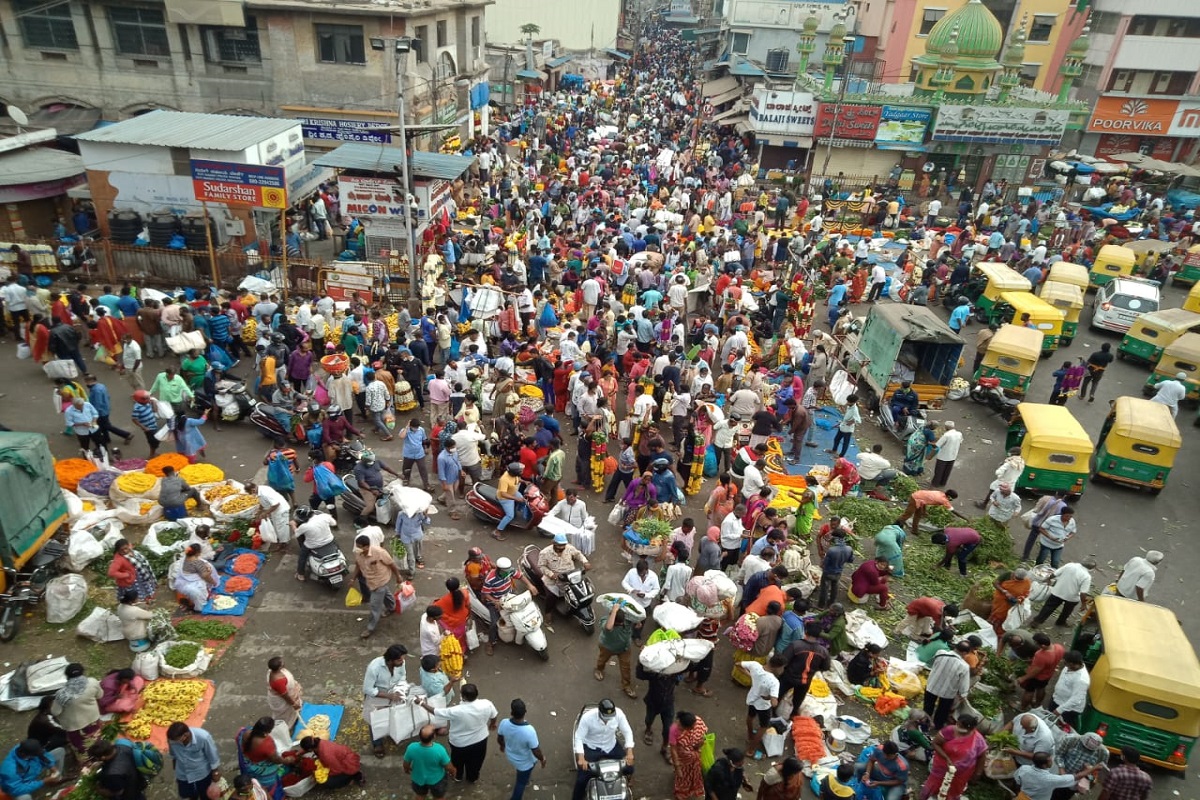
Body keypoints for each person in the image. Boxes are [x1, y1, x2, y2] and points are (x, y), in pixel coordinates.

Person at [423, 683, 498, 784]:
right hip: (480, 740)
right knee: (476, 761)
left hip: (459, 744)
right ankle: (472, 778)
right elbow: (494, 715)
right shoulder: (487, 704)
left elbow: (435, 712)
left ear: (463, 696)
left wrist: (421, 703)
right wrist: (492, 724)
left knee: (458, 762)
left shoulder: (456, 710)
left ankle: (458, 776)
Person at [572, 699, 634, 800]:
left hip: (611, 746)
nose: (608, 720)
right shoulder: (587, 718)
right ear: (599, 712)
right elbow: (579, 737)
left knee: (629, 768)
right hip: (591, 747)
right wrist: (581, 757)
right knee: (581, 780)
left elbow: (627, 732)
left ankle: (627, 782)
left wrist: (630, 751)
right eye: (605, 717)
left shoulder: (619, 714)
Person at [917, 714, 987, 800]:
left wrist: (977, 774)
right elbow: (935, 743)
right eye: (958, 724)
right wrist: (947, 758)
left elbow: (982, 756)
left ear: (970, 729)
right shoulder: (949, 731)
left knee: (953, 790)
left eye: (961, 726)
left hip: (962, 773)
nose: (957, 727)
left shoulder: (978, 739)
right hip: (942, 767)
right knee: (934, 785)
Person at [481, 556, 538, 655]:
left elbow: (520, 576)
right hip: (496, 601)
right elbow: (486, 593)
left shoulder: (510, 571)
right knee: (494, 623)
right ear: (498, 569)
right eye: (505, 571)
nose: (508, 573)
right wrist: (495, 601)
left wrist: (530, 585)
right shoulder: (490, 579)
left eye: (508, 571)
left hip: (509, 597)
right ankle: (491, 643)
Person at [349, 533, 402, 639]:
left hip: (380, 581)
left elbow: (391, 564)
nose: (357, 549)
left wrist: (398, 576)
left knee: (374, 606)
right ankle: (392, 607)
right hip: (370, 581)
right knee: (385, 593)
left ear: (366, 546)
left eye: (359, 547)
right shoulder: (359, 554)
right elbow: (358, 566)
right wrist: (353, 578)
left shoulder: (379, 552)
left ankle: (370, 628)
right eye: (357, 546)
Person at [362, 644, 408, 758]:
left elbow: (402, 677)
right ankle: (377, 744)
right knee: (375, 721)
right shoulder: (374, 667)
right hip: (377, 697)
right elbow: (367, 689)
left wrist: (399, 690)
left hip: (394, 694)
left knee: (392, 717)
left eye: (402, 658)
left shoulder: (401, 663)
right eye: (399, 659)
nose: (402, 661)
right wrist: (388, 696)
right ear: (390, 660)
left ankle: (391, 734)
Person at [778, 621, 831, 719]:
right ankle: (792, 716)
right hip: (805, 680)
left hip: (789, 677)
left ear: (806, 631)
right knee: (797, 700)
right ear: (819, 635)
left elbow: (784, 660)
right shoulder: (823, 651)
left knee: (779, 695)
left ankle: (772, 713)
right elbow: (826, 667)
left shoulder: (795, 645)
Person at [51, 663, 103, 759]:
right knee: (95, 740)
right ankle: (98, 754)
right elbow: (100, 695)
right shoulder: (92, 682)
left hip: (74, 727)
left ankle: (86, 761)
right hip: (92, 719)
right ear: (83, 672)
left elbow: (55, 712)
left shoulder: (62, 694)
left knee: (80, 746)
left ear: (67, 676)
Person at [496, 698, 545, 800]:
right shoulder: (529, 731)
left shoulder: (504, 723)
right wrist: (542, 759)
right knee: (520, 783)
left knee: (522, 774)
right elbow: (536, 751)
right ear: (525, 712)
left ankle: (525, 779)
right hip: (525, 762)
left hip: (511, 756)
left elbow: (500, 738)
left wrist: (502, 746)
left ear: (511, 712)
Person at [236, 716, 295, 794]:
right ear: (268, 731)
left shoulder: (247, 732)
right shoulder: (266, 744)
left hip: (248, 762)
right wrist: (287, 760)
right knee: (270, 782)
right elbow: (276, 760)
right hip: (259, 767)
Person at [739, 655, 783, 758]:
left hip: (752, 699)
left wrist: (750, 676)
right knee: (763, 727)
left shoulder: (755, 665)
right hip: (763, 706)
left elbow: (738, 664)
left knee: (750, 716)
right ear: (777, 667)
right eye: (782, 667)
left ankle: (750, 735)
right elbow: (774, 703)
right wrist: (771, 698)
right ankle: (750, 750)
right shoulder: (774, 682)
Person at [166, 723, 221, 800]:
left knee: (206, 795)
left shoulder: (203, 737)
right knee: (188, 795)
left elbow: (212, 754)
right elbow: (173, 754)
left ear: (185, 735)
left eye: (177, 740)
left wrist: (215, 771)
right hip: (183, 774)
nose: (174, 742)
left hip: (201, 773)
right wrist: (174, 764)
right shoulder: (172, 740)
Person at [1014, 751, 1100, 800]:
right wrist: (1093, 768)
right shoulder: (1050, 779)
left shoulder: (1024, 768)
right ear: (1044, 765)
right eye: (1050, 760)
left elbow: (1017, 780)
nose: (1052, 761)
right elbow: (1076, 777)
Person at [1032, 559, 1095, 627]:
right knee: (1067, 611)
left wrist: (1048, 579)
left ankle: (1037, 621)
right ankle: (1061, 622)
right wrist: (1083, 604)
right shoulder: (1087, 576)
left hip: (1058, 591)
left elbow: (1055, 573)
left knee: (1048, 607)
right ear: (1091, 569)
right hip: (1071, 597)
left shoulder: (1070, 565)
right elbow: (1083, 593)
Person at [923, 641, 971, 728]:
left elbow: (931, 663)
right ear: (964, 653)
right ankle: (937, 725)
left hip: (932, 685)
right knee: (942, 711)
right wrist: (963, 694)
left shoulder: (940, 653)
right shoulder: (964, 666)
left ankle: (924, 723)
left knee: (928, 707)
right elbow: (963, 685)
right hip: (947, 692)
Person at [596, 603, 639, 698]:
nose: (622, 623)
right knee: (602, 660)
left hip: (624, 648)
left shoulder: (626, 621)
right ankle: (599, 670)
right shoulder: (606, 622)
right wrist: (614, 610)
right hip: (607, 647)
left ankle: (626, 686)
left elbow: (637, 619)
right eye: (619, 622)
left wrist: (638, 622)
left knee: (626, 668)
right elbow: (608, 627)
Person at [403, 725, 454, 800]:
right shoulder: (439, 749)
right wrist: (453, 771)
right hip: (437, 780)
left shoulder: (411, 747)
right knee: (438, 797)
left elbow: (406, 763)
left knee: (420, 796)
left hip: (418, 779)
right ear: (434, 736)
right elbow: (448, 767)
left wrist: (406, 769)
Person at [538, 533, 591, 602]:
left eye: (563, 545)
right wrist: (551, 574)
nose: (561, 547)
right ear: (553, 542)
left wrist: (585, 562)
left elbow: (578, 554)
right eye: (559, 545)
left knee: (583, 590)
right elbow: (541, 566)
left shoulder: (569, 548)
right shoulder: (545, 553)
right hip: (554, 580)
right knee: (551, 597)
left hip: (570, 576)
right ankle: (548, 612)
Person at [1017, 633, 1065, 709]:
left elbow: (1035, 671)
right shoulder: (1059, 647)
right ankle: (1037, 703)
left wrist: (1023, 678)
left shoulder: (1041, 655)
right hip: (1048, 674)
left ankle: (1022, 707)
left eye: (1037, 644)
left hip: (1037, 677)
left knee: (1029, 691)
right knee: (1041, 688)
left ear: (1043, 646)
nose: (1036, 645)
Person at [296, 736, 364, 789]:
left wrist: (323, 773)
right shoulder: (317, 742)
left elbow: (337, 770)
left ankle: (349, 779)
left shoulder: (326, 755)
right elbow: (308, 747)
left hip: (349, 765)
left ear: (310, 749)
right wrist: (299, 753)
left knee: (327, 782)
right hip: (344, 759)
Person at [669, 711, 708, 800]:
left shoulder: (697, 721)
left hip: (695, 753)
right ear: (685, 727)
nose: (694, 728)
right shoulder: (674, 730)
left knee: (695, 771)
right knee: (682, 776)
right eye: (691, 728)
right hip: (683, 757)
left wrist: (699, 744)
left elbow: (703, 735)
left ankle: (693, 787)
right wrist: (678, 767)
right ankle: (682, 792)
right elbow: (673, 750)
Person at [1048, 650, 1090, 729]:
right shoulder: (1069, 667)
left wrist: (1059, 710)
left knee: (1058, 727)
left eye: (1065, 663)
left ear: (1072, 663)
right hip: (1057, 699)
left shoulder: (1082, 679)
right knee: (1048, 720)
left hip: (1068, 709)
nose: (1064, 664)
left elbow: (1076, 699)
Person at [989, 567, 1033, 634]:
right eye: (1016, 578)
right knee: (997, 613)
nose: (1017, 580)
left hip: (1013, 603)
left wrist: (1020, 599)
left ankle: (1001, 630)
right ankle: (991, 627)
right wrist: (1004, 591)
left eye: (1020, 580)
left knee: (1007, 617)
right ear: (1014, 574)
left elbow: (1026, 593)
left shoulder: (1026, 582)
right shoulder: (1007, 575)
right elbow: (995, 583)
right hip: (1001, 599)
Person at [817, 535, 854, 607]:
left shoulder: (831, 550)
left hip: (828, 572)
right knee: (835, 587)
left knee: (824, 588)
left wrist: (822, 565)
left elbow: (825, 563)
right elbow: (851, 560)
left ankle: (821, 605)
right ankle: (832, 603)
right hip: (838, 572)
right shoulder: (849, 549)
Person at [266, 656, 303, 728]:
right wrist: (293, 703)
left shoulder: (272, 671)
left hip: (282, 694)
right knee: (285, 716)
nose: (284, 662)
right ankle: (285, 727)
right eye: (282, 662)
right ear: (279, 667)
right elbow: (284, 695)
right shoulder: (278, 681)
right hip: (283, 700)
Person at [828, 394, 861, 458]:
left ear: (853, 402)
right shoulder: (850, 406)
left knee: (845, 443)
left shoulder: (855, 410)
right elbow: (847, 415)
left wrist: (851, 422)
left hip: (848, 430)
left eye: (849, 402)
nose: (847, 403)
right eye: (847, 401)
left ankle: (841, 456)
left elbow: (858, 420)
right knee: (836, 439)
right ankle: (834, 450)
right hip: (842, 426)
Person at [931, 421, 962, 488]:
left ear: (946, 427)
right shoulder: (959, 434)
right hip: (953, 455)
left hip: (943, 456)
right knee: (947, 470)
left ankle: (935, 484)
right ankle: (943, 483)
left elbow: (937, 445)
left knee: (939, 471)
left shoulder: (946, 435)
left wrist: (929, 443)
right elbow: (960, 442)